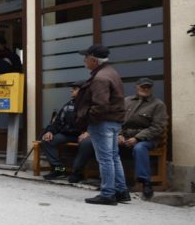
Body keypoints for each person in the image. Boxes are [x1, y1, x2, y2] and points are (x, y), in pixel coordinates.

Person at [69, 77, 167, 200]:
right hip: (123, 136)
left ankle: (145, 183)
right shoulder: (127, 101)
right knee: (94, 144)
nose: (145, 89)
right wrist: (119, 134)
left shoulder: (158, 104)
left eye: (148, 87)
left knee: (139, 148)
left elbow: (157, 127)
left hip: (146, 139)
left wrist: (137, 138)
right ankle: (97, 179)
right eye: (142, 86)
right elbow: (117, 119)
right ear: (136, 87)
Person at [74, 44, 128, 205]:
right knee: (113, 157)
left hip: (102, 122)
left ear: (93, 60)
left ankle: (108, 194)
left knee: (105, 158)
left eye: (86, 58)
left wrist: (88, 119)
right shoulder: (111, 72)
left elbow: (100, 105)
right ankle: (121, 191)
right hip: (113, 121)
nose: (84, 60)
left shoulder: (100, 77)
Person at [40, 81, 84, 180]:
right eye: (72, 88)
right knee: (47, 140)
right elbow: (58, 122)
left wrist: (87, 133)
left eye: (75, 88)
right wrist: (50, 131)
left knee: (86, 145)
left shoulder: (90, 105)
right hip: (68, 134)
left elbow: (94, 123)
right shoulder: (68, 105)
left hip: (84, 136)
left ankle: (77, 173)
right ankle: (60, 170)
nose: (71, 90)